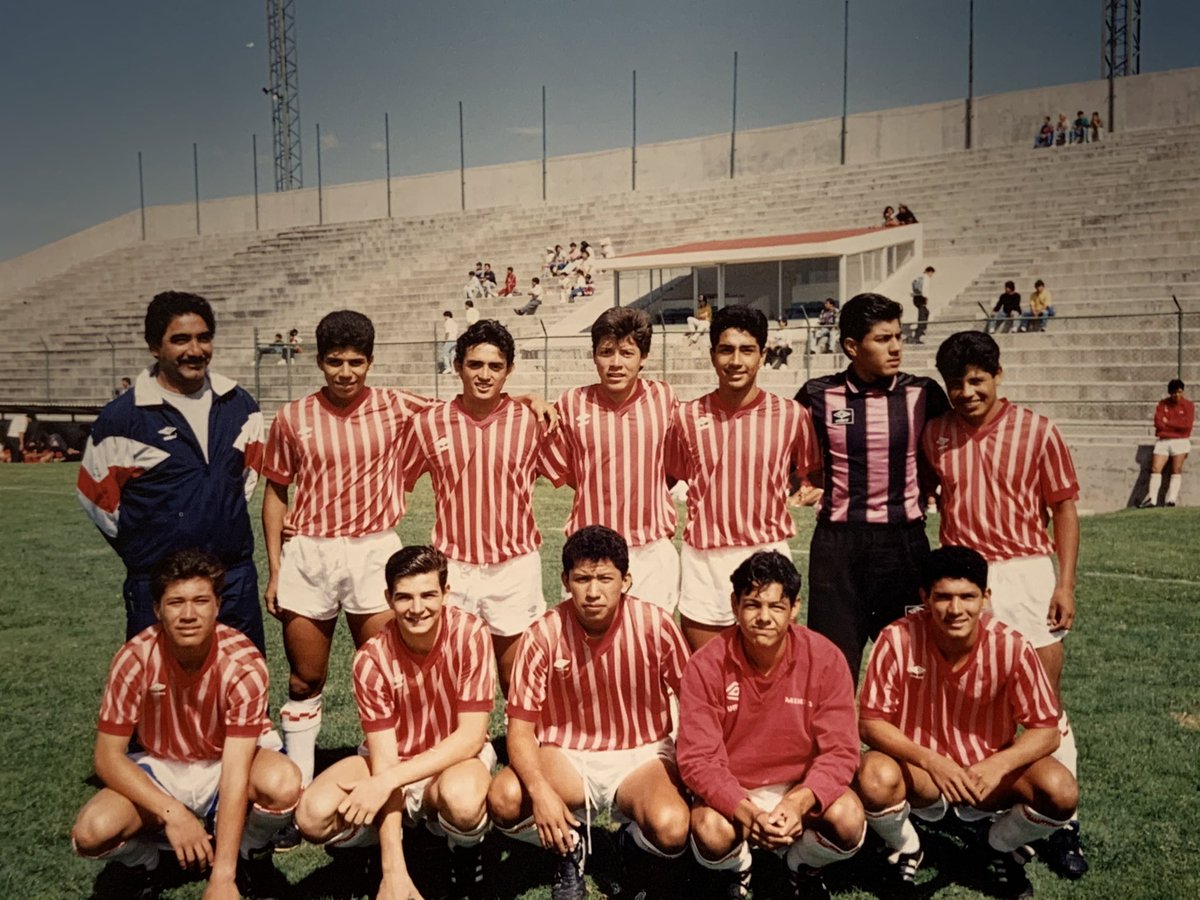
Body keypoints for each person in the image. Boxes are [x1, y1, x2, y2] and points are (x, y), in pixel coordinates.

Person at [923, 330, 1087, 879]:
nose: (967, 393)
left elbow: (1063, 509)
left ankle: (1063, 823)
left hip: (1026, 573)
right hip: (965, 580)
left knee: (1045, 706)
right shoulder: (936, 434)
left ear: (997, 376)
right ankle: (980, 807)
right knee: (969, 698)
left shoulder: (1038, 431)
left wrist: (1065, 584)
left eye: (977, 380)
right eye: (956, 384)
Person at [262, 310, 438, 800]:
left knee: (385, 670)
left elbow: (464, 408)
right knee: (306, 677)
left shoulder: (396, 405)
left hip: (373, 550)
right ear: (320, 362)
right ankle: (297, 783)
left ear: (371, 362)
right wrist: (275, 569)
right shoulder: (292, 417)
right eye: (335, 362)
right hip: (310, 552)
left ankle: (385, 774)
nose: (345, 373)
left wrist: (525, 400)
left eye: (356, 362)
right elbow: (276, 491)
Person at [70, 549, 301, 900]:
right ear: (157, 609)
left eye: (200, 601)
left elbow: (236, 771)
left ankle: (247, 852)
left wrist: (222, 878)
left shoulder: (243, 661)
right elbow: (106, 758)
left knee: (282, 782)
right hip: (162, 765)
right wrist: (173, 813)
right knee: (91, 832)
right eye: (176, 602)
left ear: (217, 606)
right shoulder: (134, 658)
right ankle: (148, 864)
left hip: (224, 761)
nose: (189, 614)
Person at [857, 546, 1078, 897]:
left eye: (967, 597)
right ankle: (908, 846)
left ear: (986, 597)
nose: (955, 609)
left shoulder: (1010, 645)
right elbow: (870, 722)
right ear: (925, 598)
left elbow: (1047, 729)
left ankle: (996, 845)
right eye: (943, 597)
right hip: (923, 774)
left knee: (1061, 791)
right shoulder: (897, 638)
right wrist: (932, 761)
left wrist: (998, 764)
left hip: (986, 777)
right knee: (873, 777)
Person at [487, 526, 692, 900]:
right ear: (565, 580)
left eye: (604, 579)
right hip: (567, 754)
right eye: (582, 579)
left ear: (626, 580)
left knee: (673, 829)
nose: (593, 591)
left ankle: (628, 845)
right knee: (505, 799)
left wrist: (691, 767)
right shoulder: (542, 634)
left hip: (641, 752)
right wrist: (541, 793)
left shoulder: (656, 625)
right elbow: (520, 730)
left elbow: (694, 703)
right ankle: (570, 844)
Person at [295, 546, 497, 900]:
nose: (417, 608)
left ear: (446, 593)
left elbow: (470, 737)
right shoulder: (371, 659)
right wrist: (393, 872)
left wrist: (386, 781)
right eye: (404, 597)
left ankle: (463, 853)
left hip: (453, 759)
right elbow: (385, 760)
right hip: (391, 760)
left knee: (463, 800)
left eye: (428, 595)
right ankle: (379, 849)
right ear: (389, 598)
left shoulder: (470, 634)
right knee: (312, 815)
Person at [77, 291, 266, 651]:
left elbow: (244, 482)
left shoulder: (239, 404)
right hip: (158, 583)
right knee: (159, 682)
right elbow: (96, 498)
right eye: (180, 339)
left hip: (231, 579)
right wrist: (149, 548)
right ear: (154, 346)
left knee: (241, 677)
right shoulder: (123, 417)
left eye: (203, 338)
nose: (195, 350)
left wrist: (214, 520)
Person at [677, 551, 865, 899]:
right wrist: (744, 808)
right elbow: (698, 759)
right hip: (737, 789)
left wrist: (798, 802)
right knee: (709, 830)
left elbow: (841, 751)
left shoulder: (825, 658)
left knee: (850, 818)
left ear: (795, 608)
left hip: (799, 787)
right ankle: (741, 866)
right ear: (734, 605)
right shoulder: (706, 664)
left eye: (776, 606)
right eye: (752, 605)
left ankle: (800, 865)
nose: (764, 617)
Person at [794, 293, 950, 685]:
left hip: (904, 545)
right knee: (832, 669)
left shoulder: (923, 393)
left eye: (898, 336)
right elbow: (790, 457)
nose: (896, 347)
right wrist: (807, 485)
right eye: (883, 339)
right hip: (838, 548)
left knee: (913, 669)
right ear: (852, 346)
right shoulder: (817, 395)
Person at [401, 319, 547, 692]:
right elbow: (395, 481)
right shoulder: (429, 423)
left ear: (509, 370)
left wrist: (533, 398)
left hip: (514, 565)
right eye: (475, 365)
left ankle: (522, 734)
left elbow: (576, 471)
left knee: (517, 679)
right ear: (457, 366)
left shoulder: (532, 420)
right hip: (454, 566)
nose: (484, 375)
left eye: (495, 366)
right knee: (450, 677)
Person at [667, 304, 819, 651]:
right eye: (726, 350)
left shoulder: (792, 415)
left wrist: (806, 492)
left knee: (768, 669)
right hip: (705, 559)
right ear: (712, 355)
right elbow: (670, 474)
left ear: (762, 355)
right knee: (708, 667)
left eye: (747, 350)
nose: (736, 361)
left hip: (767, 550)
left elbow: (811, 475)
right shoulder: (686, 416)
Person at [539, 307, 681, 612]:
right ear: (594, 356)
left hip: (649, 549)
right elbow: (570, 472)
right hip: (589, 551)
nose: (616, 363)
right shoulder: (572, 402)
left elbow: (671, 466)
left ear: (643, 357)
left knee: (649, 637)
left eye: (627, 353)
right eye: (606, 352)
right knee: (585, 639)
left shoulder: (664, 397)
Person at [1141, 378, 1194, 508]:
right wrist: (1174, 425)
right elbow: (1158, 423)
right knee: (1155, 468)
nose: (1177, 395)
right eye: (1174, 392)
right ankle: (1152, 500)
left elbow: (1186, 426)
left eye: (1179, 392)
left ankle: (1171, 500)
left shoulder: (1188, 405)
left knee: (1176, 469)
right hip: (1163, 440)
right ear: (1170, 393)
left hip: (1180, 441)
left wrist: (1167, 423)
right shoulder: (1162, 404)